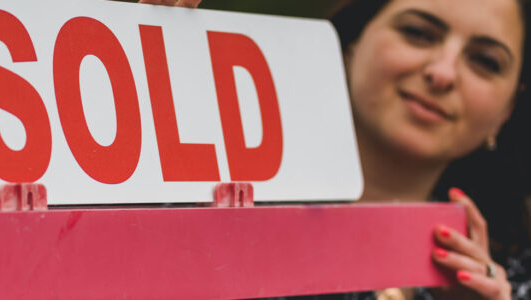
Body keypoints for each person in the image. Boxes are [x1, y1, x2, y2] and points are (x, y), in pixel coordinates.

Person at [138, 0, 530, 299]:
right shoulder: (196, 200)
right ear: (350, 44)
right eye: (419, 33)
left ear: (507, 111)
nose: (442, 73)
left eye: (484, 61)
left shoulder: (515, 275)